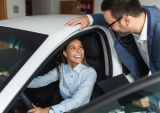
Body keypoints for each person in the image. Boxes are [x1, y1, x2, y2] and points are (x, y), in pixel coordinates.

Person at [65, 0, 160, 111]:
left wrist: (154, 99)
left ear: (125, 20)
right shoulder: (136, 13)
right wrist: (89, 19)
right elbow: (109, 18)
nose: (108, 27)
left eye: (110, 25)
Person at [26, 38, 97, 113]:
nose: (78, 51)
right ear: (65, 53)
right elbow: (41, 81)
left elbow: (77, 100)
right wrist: (19, 84)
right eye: (73, 48)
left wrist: (48, 110)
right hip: (61, 109)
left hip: (81, 110)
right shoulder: (62, 68)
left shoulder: (90, 73)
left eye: (80, 47)